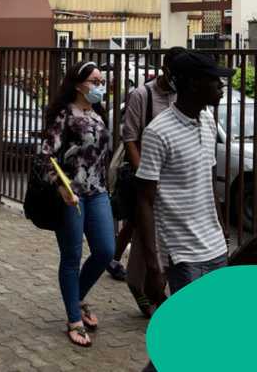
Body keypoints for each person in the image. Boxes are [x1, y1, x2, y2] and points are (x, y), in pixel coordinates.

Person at [136, 51, 231, 372]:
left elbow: (207, 184)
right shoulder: (158, 132)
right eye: (213, 80)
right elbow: (145, 200)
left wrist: (221, 231)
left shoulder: (207, 121)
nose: (221, 86)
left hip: (216, 249)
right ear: (192, 85)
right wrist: (153, 265)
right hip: (183, 255)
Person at [39, 60, 116, 347]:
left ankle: (77, 296)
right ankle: (73, 318)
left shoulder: (98, 113)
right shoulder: (64, 115)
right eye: (94, 82)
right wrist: (61, 187)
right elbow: (46, 155)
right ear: (78, 84)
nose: (99, 86)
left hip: (97, 192)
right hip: (71, 195)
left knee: (106, 250)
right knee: (71, 257)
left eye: (101, 81)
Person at [116, 47, 184, 317]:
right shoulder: (142, 95)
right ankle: (143, 286)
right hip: (148, 178)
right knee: (146, 232)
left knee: (153, 234)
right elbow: (130, 138)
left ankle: (143, 284)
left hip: (174, 181)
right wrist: (146, 174)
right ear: (166, 69)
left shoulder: (182, 96)